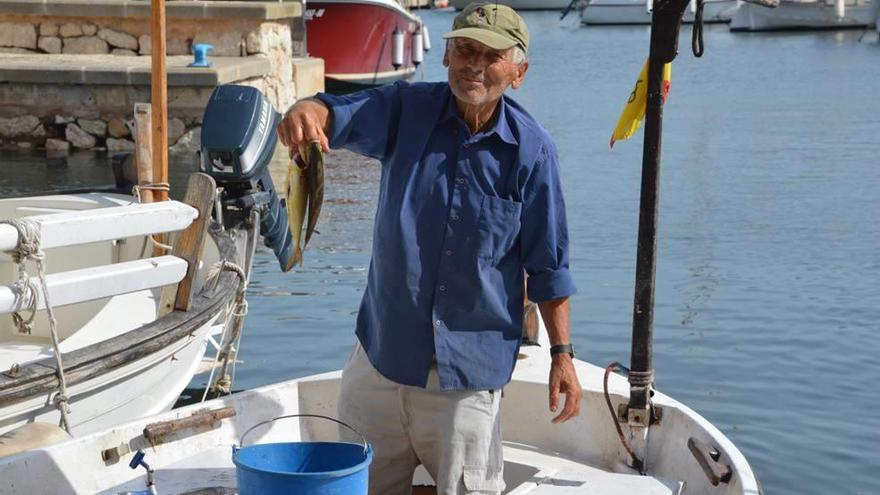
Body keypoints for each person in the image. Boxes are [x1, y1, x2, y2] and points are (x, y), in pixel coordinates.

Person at [276, 3, 582, 494]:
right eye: (464, 48)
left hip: (468, 378)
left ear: (518, 72)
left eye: (491, 54)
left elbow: (548, 264)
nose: (474, 64)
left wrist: (562, 355)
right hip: (381, 359)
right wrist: (307, 111)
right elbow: (338, 114)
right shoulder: (405, 111)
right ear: (445, 55)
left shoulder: (533, 152)